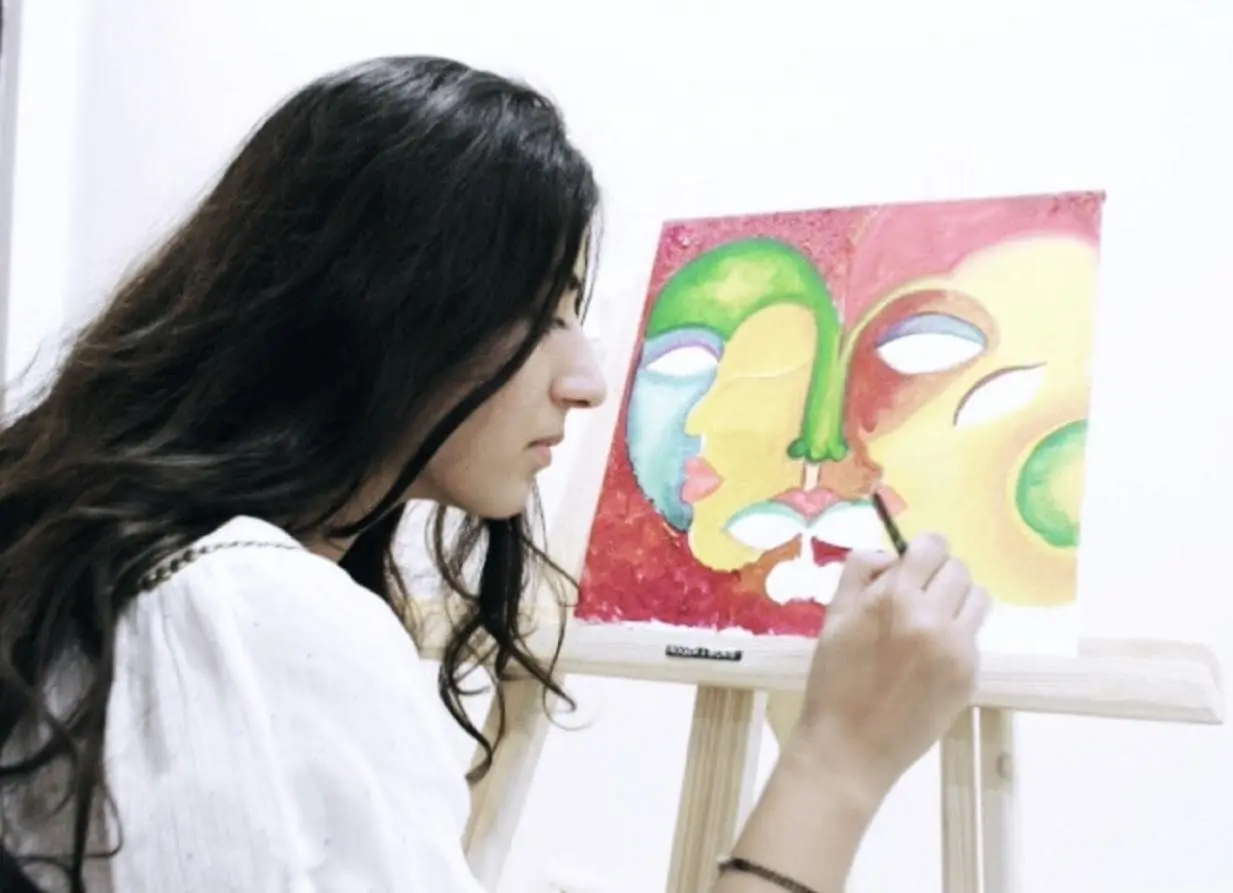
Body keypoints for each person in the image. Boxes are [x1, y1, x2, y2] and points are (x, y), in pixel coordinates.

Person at [0, 55, 989, 893]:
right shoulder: (249, 615)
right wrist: (836, 763)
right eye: (545, 314)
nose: (588, 380)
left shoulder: (115, 570)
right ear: (388, 306)